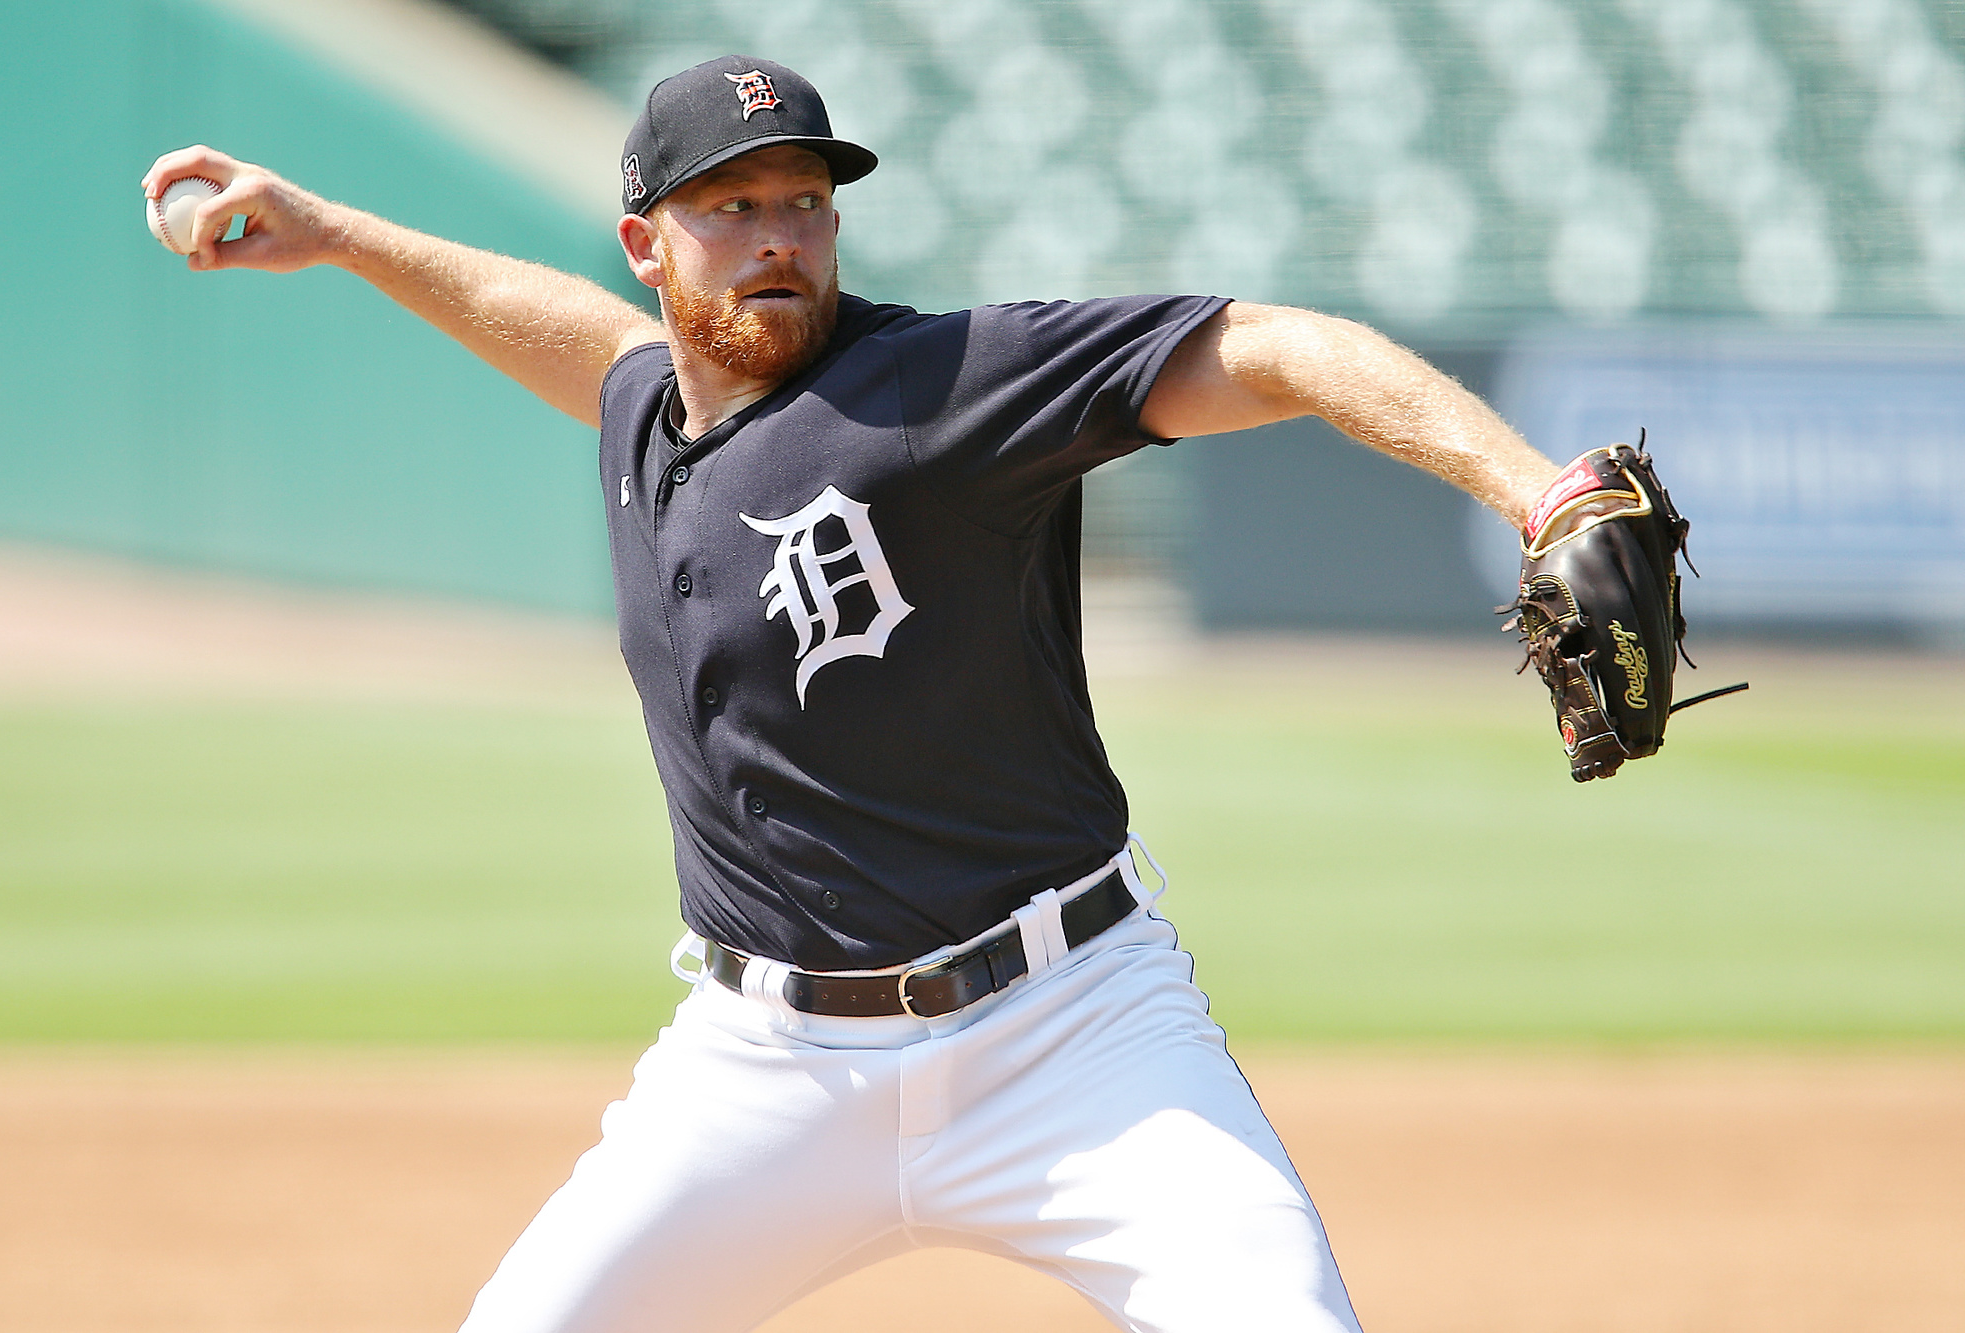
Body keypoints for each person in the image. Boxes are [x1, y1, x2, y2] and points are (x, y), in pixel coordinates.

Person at [144, 55, 1558, 1333]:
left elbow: (1279, 349)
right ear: (647, 245)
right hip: (763, 1066)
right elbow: (558, 324)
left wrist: (1539, 494)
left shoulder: (941, 384)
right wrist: (333, 235)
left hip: (1073, 1033)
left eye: (805, 200)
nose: (776, 235)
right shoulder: (644, 408)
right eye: (731, 205)